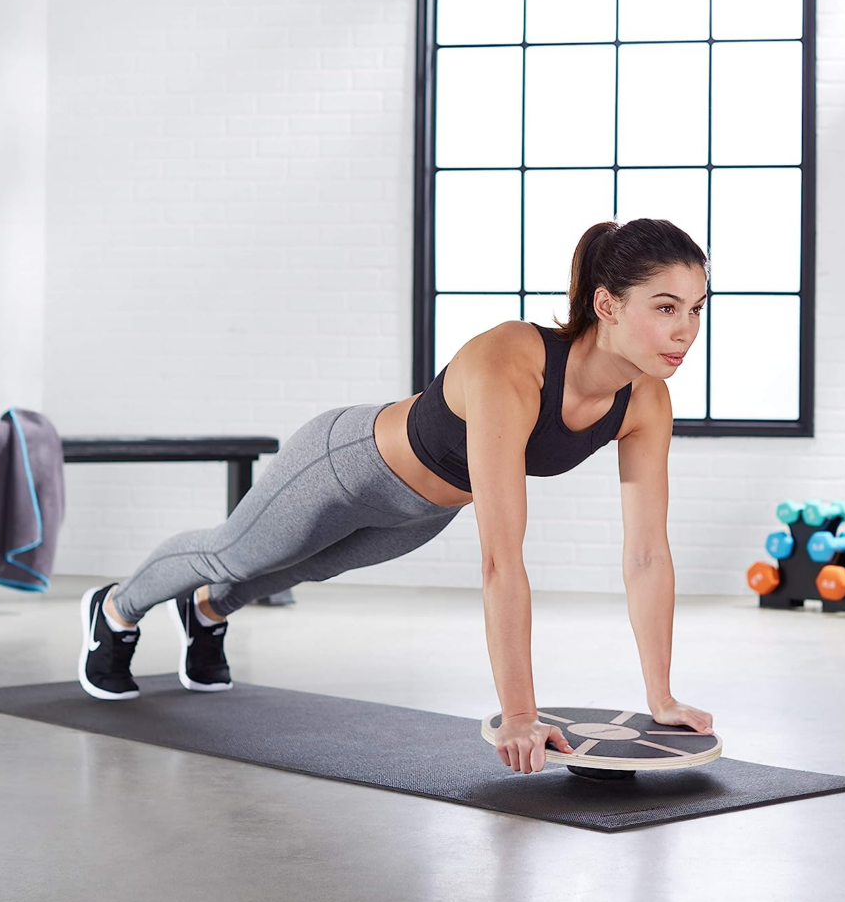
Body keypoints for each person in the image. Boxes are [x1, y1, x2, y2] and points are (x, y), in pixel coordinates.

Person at [78, 217, 716, 775]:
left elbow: (646, 557)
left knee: (303, 565)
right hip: (344, 463)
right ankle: (114, 610)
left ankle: (207, 613)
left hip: (421, 511)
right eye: (666, 307)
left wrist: (660, 698)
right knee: (233, 552)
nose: (686, 330)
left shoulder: (647, 402)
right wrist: (519, 713)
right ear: (606, 304)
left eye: (697, 309)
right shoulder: (512, 360)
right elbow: (502, 559)